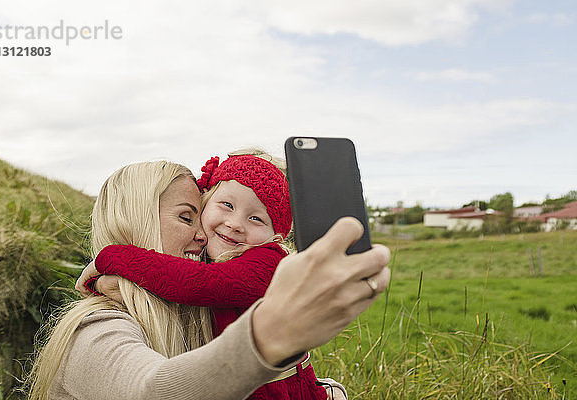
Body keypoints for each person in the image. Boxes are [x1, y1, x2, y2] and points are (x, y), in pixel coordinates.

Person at [27, 160, 391, 400]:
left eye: (256, 219)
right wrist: (266, 340)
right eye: (189, 217)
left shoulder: (189, 313)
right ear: (138, 219)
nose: (206, 235)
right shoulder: (95, 331)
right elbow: (151, 391)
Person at [76, 150, 331, 399]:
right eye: (227, 205)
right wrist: (117, 286)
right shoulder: (101, 335)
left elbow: (195, 283)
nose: (235, 224)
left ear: (276, 237)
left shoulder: (268, 261)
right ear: (208, 202)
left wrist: (115, 257)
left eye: (256, 219)